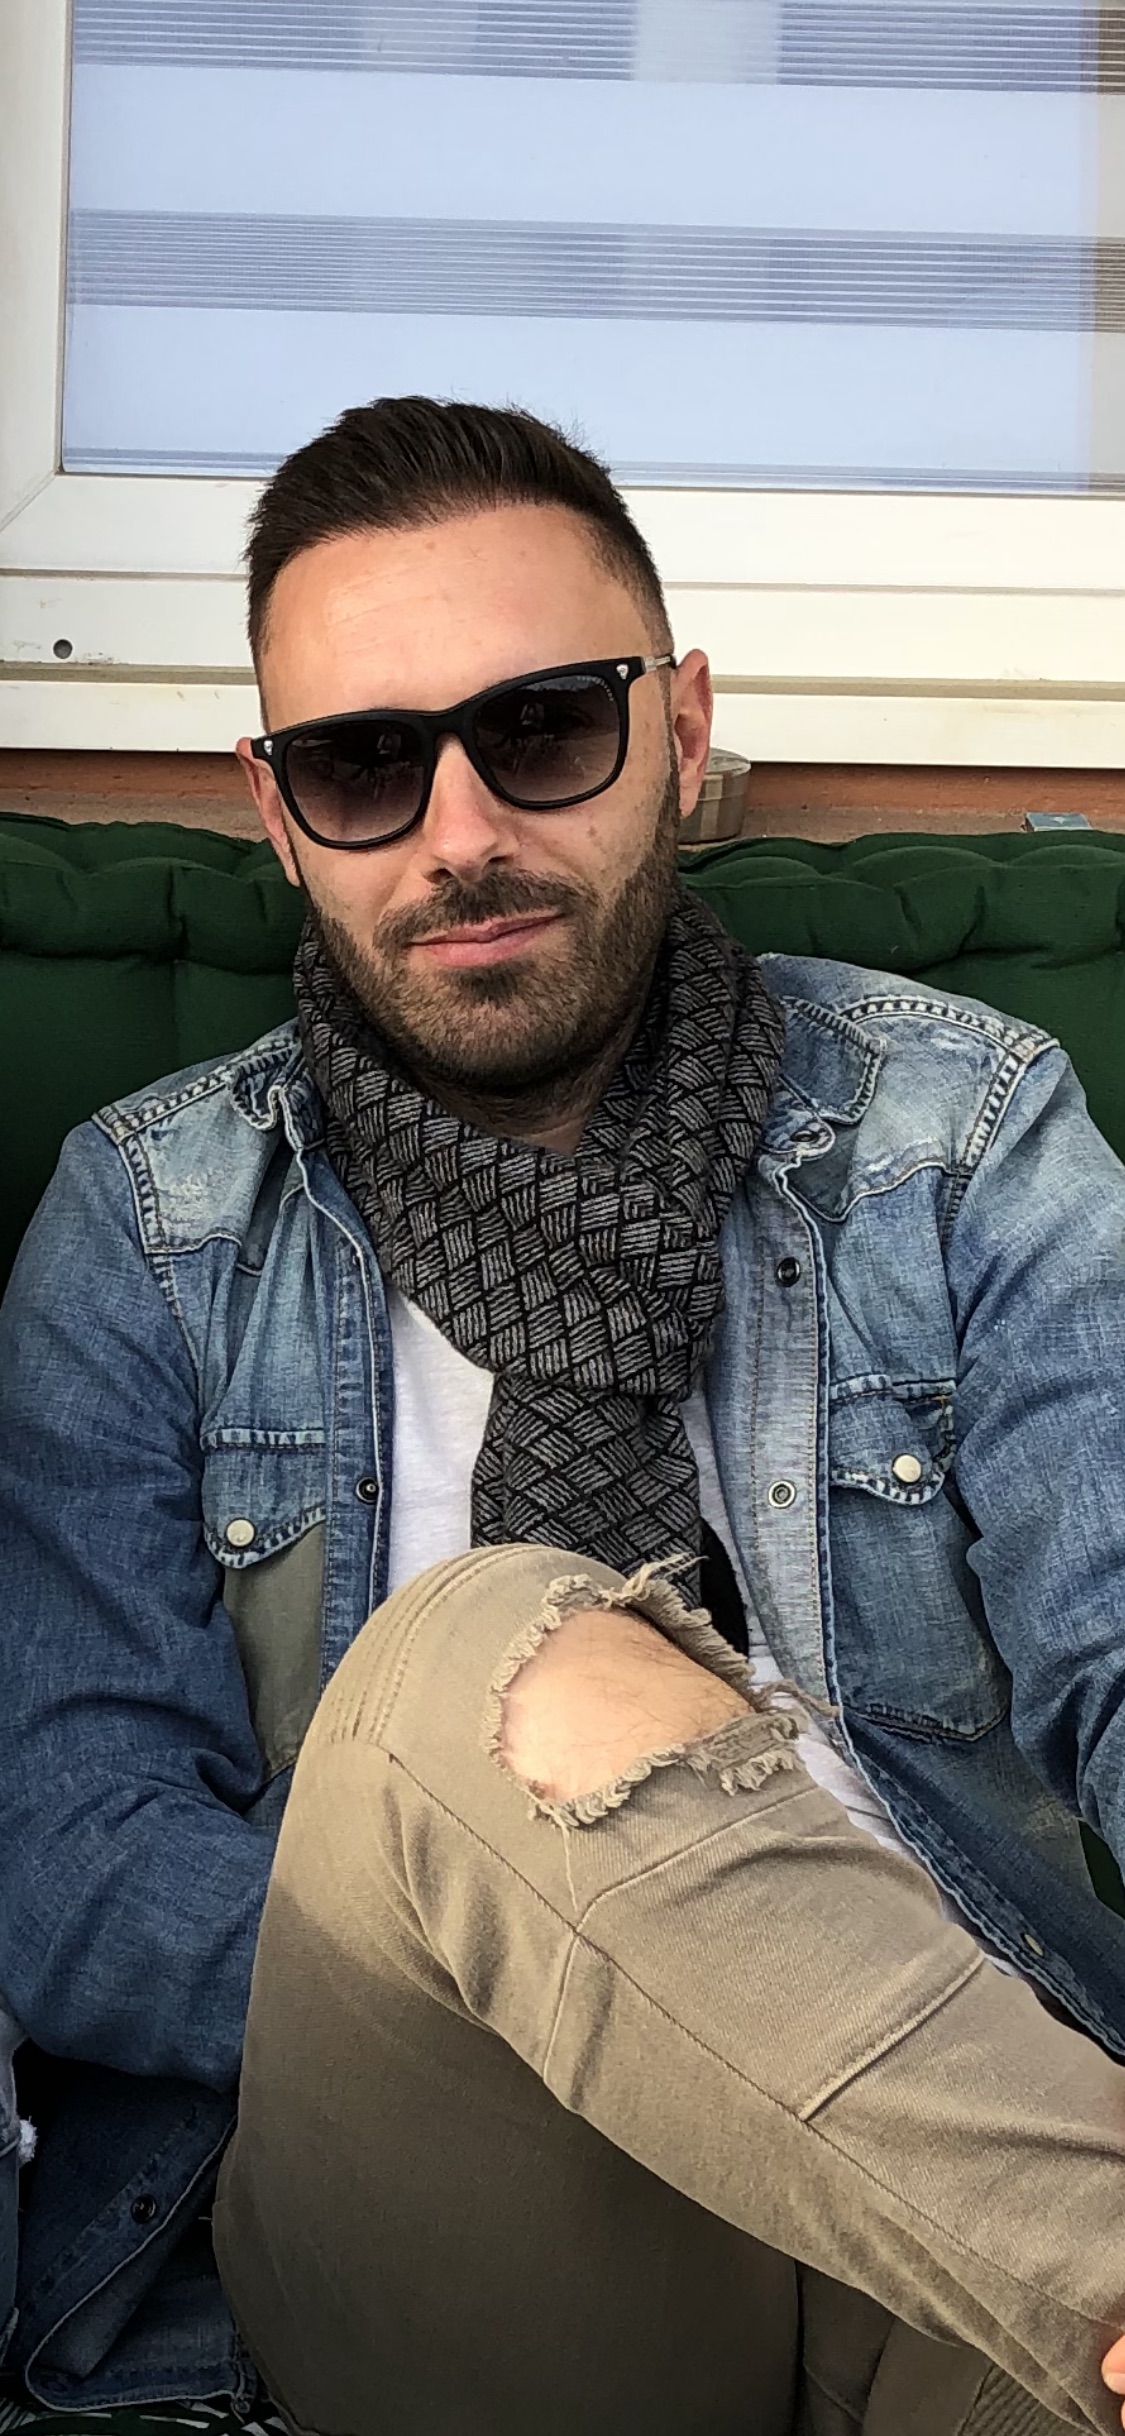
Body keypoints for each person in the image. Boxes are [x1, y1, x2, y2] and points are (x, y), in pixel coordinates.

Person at [4, 399, 1125, 2435]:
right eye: (364, 765)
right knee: (484, 1649)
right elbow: (75, 1860)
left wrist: (822, 2039)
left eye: (539, 730)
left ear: (680, 731)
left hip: (942, 2178)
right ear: (277, 811)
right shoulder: (151, 1226)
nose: (459, 836)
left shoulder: (960, 1136)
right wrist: (567, 1971)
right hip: (452, 2206)